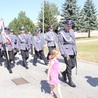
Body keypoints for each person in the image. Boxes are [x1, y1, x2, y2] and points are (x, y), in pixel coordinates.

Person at [58, 20, 77, 87]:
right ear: (65, 25)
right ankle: (70, 81)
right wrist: (63, 53)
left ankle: (64, 73)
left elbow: (74, 41)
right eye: (68, 26)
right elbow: (60, 44)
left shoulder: (72, 31)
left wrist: (75, 50)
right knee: (69, 66)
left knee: (73, 65)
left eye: (70, 26)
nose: (69, 27)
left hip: (72, 50)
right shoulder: (61, 33)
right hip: (66, 52)